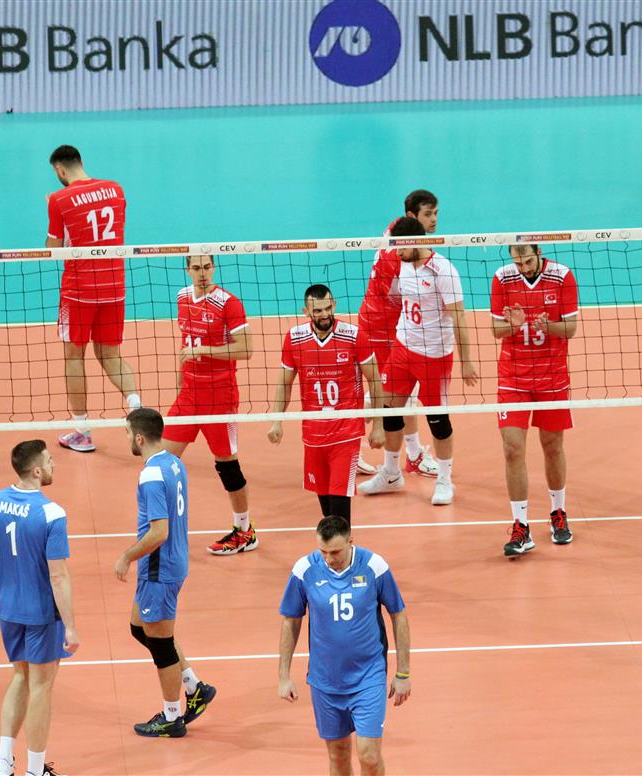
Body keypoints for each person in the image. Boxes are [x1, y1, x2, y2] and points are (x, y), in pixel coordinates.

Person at [0, 440, 77, 776]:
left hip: (8, 610)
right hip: (42, 614)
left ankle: (3, 762)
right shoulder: (51, 514)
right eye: (49, 460)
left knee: (20, 676)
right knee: (42, 687)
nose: (53, 464)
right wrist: (70, 626)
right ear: (36, 471)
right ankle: (34, 771)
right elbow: (58, 576)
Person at [278, 514, 412, 776]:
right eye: (323, 552)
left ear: (351, 542)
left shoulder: (374, 566)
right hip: (325, 680)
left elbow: (399, 614)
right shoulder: (304, 570)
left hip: (368, 676)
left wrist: (403, 673)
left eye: (336, 552)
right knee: (338, 755)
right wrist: (283, 676)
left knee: (369, 755)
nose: (329, 559)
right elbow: (290, 621)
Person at [357, 217, 478, 506]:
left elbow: (459, 318)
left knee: (438, 420)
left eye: (401, 248)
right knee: (390, 409)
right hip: (403, 347)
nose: (397, 254)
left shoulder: (443, 270)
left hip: (434, 355)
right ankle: (391, 473)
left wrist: (467, 361)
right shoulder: (403, 265)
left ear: (415, 242)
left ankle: (444, 479)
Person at [114, 408, 216, 737]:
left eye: (127, 433)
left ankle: (172, 717)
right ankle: (194, 686)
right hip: (170, 562)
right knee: (139, 628)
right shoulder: (173, 462)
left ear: (139, 437)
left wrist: (127, 556)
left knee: (160, 644)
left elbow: (159, 532)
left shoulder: (151, 476)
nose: (126, 439)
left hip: (160, 568)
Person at [44, 145, 141, 453]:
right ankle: (138, 410)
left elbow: (53, 250)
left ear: (59, 169)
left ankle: (82, 432)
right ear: (81, 162)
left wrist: (54, 209)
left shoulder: (59, 199)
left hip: (79, 290)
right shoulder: (116, 189)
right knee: (110, 355)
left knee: (74, 357)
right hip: (115, 286)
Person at [160, 254, 257, 556]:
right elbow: (185, 344)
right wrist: (180, 381)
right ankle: (161, 529)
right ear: (187, 269)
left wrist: (205, 349)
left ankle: (244, 531)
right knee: (160, 461)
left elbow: (246, 349)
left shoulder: (229, 303)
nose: (202, 273)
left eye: (206, 267)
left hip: (219, 396)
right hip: (189, 395)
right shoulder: (182, 297)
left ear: (213, 268)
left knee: (226, 465)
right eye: (196, 268)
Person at [489, 243, 579, 556]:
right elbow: (495, 330)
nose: (523, 268)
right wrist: (511, 326)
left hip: (552, 378)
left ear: (538, 252)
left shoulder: (562, 276)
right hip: (513, 378)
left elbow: (570, 328)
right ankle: (520, 526)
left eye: (527, 261)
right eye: (518, 262)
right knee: (512, 448)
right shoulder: (502, 278)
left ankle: (558, 512)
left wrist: (547, 326)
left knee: (552, 446)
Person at [269, 285, 386, 521]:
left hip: (346, 432)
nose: (324, 315)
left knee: (339, 505)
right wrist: (276, 421)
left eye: (327, 308)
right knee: (327, 510)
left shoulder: (354, 336)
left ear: (334, 305)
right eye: (317, 311)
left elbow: (374, 380)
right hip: (313, 434)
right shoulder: (294, 338)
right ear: (306, 311)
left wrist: (379, 426)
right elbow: (284, 383)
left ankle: (344, 544)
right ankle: (338, 543)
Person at [355, 189, 443, 478]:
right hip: (381, 330)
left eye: (435, 213)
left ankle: (414, 455)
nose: (434, 220)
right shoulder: (399, 259)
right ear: (411, 216)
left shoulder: (398, 229)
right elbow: (404, 297)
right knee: (387, 396)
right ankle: (349, 446)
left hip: (391, 326)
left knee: (404, 393)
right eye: (427, 215)